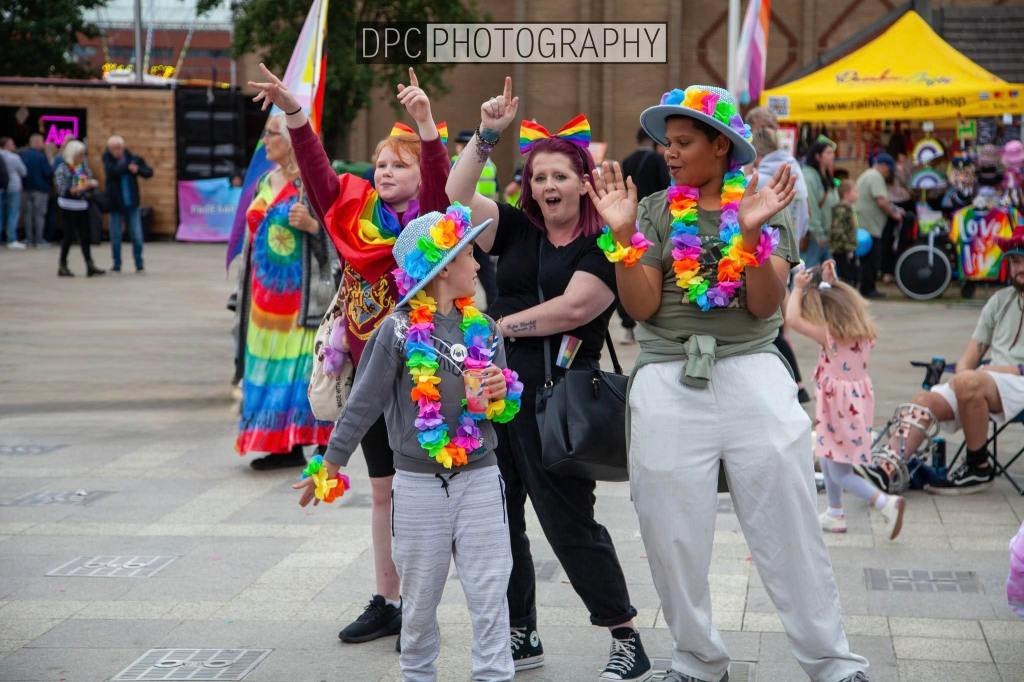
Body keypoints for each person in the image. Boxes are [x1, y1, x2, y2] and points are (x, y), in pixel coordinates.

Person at [588, 84, 870, 682]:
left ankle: (832, 663)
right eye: (668, 141)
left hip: (753, 373)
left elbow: (765, 303)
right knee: (670, 530)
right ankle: (694, 660)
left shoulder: (764, 203)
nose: (669, 152)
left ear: (722, 147)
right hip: (667, 376)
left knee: (788, 523)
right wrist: (621, 236)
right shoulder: (655, 211)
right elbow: (640, 306)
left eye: (684, 142)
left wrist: (749, 235)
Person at [447, 78, 653, 681]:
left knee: (569, 527)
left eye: (560, 176)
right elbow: (456, 195)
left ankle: (625, 637)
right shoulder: (513, 229)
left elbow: (575, 309)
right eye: (539, 177)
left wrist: (498, 325)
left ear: (584, 182)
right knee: (499, 521)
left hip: (559, 403)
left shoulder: (600, 244)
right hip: (496, 402)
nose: (548, 186)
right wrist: (487, 136)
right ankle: (522, 632)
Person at [249, 63, 451, 646]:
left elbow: (441, 184)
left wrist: (426, 125)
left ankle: (422, 598)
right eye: (381, 163)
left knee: (424, 492)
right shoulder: (351, 212)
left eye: (399, 165)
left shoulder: (431, 226)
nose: (385, 171)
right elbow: (317, 175)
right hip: (366, 374)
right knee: (383, 489)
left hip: (425, 380)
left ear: (417, 176)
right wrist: (293, 112)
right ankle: (388, 598)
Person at [296, 204, 520, 681]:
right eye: (468, 255)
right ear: (442, 268)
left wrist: (502, 392)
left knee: (489, 595)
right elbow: (363, 402)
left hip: (480, 477)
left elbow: (500, 409)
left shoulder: (485, 329)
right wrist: (330, 464)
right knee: (418, 604)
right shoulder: (396, 330)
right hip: (418, 486)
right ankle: (417, 673)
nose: (479, 264)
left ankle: (494, 675)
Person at [864, 227, 1024, 496]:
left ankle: (978, 467)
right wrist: (962, 382)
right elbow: (969, 357)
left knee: (970, 381)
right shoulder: (1000, 300)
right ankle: (887, 469)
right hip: (988, 383)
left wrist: (995, 371)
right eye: (1015, 261)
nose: (1019, 267)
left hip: (1017, 383)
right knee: (924, 401)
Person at [233, 114, 336, 470]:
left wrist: (313, 227)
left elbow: (339, 239)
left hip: (301, 302)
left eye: (271, 134)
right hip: (264, 302)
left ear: (292, 142)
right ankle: (281, 446)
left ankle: (322, 445)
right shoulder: (266, 180)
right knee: (268, 372)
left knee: (303, 373)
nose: (265, 140)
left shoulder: (313, 184)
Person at [786, 260, 905, 539]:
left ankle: (884, 503)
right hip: (852, 404)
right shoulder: (863, 334)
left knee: (840, 471)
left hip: (839, 408)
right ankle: (835, 512)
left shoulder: (829, 336)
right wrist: (833, 281)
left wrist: (798, 288)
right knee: (829, 456)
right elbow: (840, 298)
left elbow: (791, 320)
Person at [620, 128, 673, 343]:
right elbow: (667, 187)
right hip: (655, 218)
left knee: (631, 269)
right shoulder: (658, 161)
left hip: (632, 218)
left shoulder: (627, 161)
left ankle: (628, 325)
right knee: (654, 270)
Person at [452, 129, 499, 307]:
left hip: (460, 225)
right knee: (485, 271)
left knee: (460, 269)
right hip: (482, 224)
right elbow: (496, 194)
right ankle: (494, 308)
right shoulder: (489, 165)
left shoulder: (455, 164)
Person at [854, 153, 903, 298]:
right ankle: (868, 289)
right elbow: (881, 201)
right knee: (870, 258)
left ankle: (867, 287)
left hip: (866, 223)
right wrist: (894, 214)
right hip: (869, 225)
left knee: (867, 257)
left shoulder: (868, 174)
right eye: (889, 170)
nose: (889, 174)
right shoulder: (875, 176)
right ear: (883, 166)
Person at [102, 135, 153, 273]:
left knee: (137, 235)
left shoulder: (133, 158)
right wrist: (128, 167)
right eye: (113, 149)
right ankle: (117, 263)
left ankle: (139, 262)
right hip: (115, 204)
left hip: (132, 203)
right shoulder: (107, 159)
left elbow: (149, 172)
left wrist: (138, 170)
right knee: (116, 236)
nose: (116, 151)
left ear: (123, 148)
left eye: (118, 148)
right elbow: (112, 171)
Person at [54, 140, 104, 277]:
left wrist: (89, 186)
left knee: (85, 236)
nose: (82, 157)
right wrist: (85, 186)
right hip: (68, 206)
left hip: (82, 205)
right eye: (80, 155)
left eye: (83, 154)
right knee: (68, 236)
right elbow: (64, 190)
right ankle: (62, 265)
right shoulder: (63, 168)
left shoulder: (83, 168)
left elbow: (84, 186)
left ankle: (90, 264)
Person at [803, 140, 839, 267]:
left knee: (828, 270)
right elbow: (811, 206)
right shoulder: (809, 176)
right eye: (828, 153)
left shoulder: (826, 175)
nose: (832, 156)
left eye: (833, 152)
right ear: (818, 156)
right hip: (816, 235)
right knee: (809, 270)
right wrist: (818, 233)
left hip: (827, 233)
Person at [19, 133, 53, 247]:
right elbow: (48, 172)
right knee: (39, 215)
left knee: (28, 215)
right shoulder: (41, 156)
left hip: (26, 189)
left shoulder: (23, 155)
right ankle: (39, 240)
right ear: (38, 143)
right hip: (41, 189)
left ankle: (29, 239)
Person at [830, 180, 860, 285]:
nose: (858, 194)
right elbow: (838, 230)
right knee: (846, 277)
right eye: (855, 191)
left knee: (853, 275)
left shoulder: (849, 209)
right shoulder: (842, 210)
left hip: (848, 248)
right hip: (842, 249)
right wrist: (848, 248)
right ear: (846, 194)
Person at [1, 137, 27, 249]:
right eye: (12, 143)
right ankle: (11, 239)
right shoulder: (14, 157)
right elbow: (24, 171)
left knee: (1, 214)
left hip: (1, 188)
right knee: (13, 214)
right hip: (13, 187)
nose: (14, 145)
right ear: (6, 145)